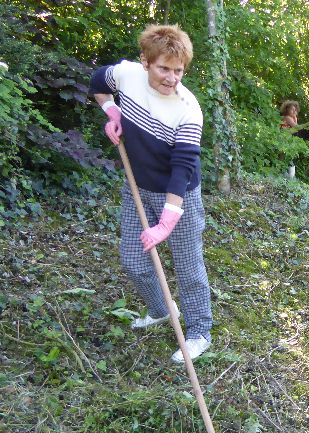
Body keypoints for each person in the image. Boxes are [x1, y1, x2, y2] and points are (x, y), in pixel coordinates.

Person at [90, 24, 213, 364]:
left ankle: (200, 332)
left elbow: (183, 168)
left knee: (188, 270)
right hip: (138, 189)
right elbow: (98, 82)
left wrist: (167, 221)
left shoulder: (188, 109)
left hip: (179, 197)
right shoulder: (126, 75)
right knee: (133, 261)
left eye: (179, 70)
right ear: (145, 61)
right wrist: (111, 111)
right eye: (164, 68)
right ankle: (161, 309)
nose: (172, 78)